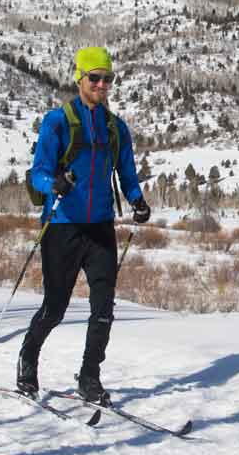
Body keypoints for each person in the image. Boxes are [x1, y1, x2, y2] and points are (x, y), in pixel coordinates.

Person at [16, 46, 150, 404]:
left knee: (103, 306)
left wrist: (137, 199)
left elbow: (127, 174)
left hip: (101, 227)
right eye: (95, 77)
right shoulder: (57, 122)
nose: (102, 84)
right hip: (62, 224)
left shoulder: (115, 127)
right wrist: (53, 185)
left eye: (108, 79)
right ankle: (28, 359)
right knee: (55, 307)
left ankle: (90, 376)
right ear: (80, 78)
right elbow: (39, 172)